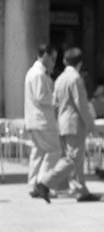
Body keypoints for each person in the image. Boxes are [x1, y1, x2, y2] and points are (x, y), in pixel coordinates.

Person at [53, 47, 100, 202]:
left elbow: (54, 103)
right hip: (74, 124)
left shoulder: (60, 78)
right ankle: (45, 182)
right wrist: (91, 125)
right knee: (73, 159)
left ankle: (80, 190)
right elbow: (82, 105)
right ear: (80, 63)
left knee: (75, 159)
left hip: (62, 123)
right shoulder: (75, 78)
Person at [24, 44, 60, 199]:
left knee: (38, 152)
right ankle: (42, 183)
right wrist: (56, 99)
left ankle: (33, 184)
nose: (54, 63)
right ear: (45, 56)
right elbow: (41, 97)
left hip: (34, 120)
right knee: (54, 150)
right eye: (53, 59)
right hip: (43, 120)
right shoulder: (39, 74)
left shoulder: (32, 72)